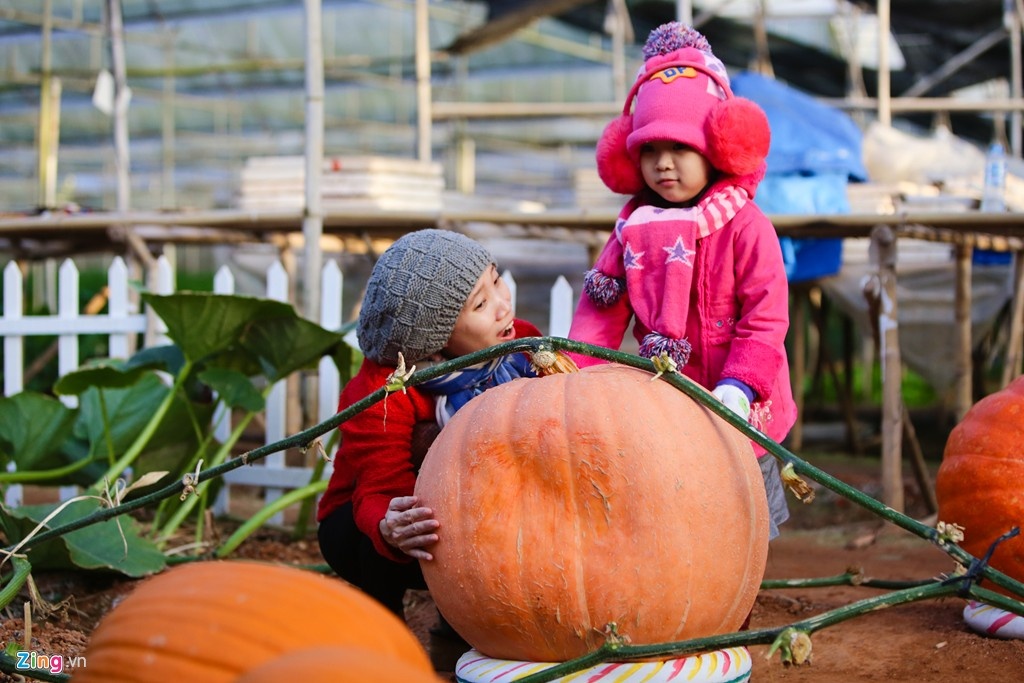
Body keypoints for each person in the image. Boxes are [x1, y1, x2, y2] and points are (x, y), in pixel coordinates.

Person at [567, 22, 797, 540]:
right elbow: (599, 316)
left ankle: (742, 594)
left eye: (680, 148)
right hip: (668, 399)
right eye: (649, 150)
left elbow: (766, 319)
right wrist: (572, 375)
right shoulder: (634, 229)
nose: (663, 163)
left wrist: (738, 386)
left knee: (746, 512)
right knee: (681, 511)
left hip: (744, 402)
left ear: (717, 149)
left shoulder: (746, 226)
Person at [317, 228, 540, 619]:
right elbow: (378, 489)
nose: (504, 306)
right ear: (435, 341)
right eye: (481, 304)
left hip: (472, 510)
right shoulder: (384, 392)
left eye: (496, 280)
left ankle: (459, 629)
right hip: (374, 519)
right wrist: (391, 526)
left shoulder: (522, 346)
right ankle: (383, 622)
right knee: (398, 527)